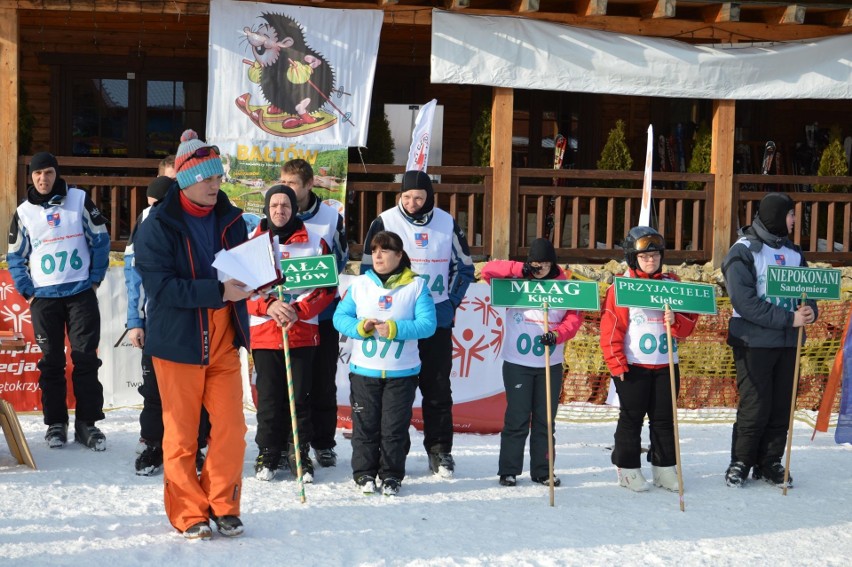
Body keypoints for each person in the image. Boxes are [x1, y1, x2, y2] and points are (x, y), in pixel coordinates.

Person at [133, 130, 252, 539]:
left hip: (222, 337)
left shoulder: (232, 219)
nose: (215, 185)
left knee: (233, 428)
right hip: (179, 340)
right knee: (182, 435)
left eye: (218, 177)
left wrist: (266, 290)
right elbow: (161, 289)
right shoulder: (156, 226)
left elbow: (245, 272)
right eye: (206, 178)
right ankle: (189, 512)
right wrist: (218, 290)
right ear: (185, 178)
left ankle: (223, 504)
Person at [361, 170, 474, 478]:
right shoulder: (384, 222)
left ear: (429, 198)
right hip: (395, 320)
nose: (412, 203)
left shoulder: (446, 223)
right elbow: (369, 269)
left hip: (434, 317)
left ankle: (440, 451)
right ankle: (394, 454)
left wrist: (450, 304)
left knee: (437, 387)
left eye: (419, 198)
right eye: (407, 197)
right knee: (397, 390)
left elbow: (464, 267)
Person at [7, 151, 110, 450]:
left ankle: (87, 423)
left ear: (56, 174)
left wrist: (94, 279)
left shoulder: (78, 200)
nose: (43, 178)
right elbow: (15, 255)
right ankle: (56, 423)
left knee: (85, 359)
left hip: (80, 295)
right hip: (45, 299)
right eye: (38, 174)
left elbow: (100, 239)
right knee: (51, 362)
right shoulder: (24, 212)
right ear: (31, 177)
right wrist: (27, 290)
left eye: (48, 172)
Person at [722, 192, 817, 488]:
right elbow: (745, 301)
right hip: (754, 342)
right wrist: (788, 318)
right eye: (790, 215)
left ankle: (770, 461)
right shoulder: (743, 251)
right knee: (756, 405)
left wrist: (809, 310)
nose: (793, 221)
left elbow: (809, 291)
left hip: (788, 343)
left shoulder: (794, 253)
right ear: (776, 216)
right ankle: (741, 461)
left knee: (780, 406)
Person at [334, 230, 436, 496]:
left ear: (399, 255)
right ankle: (364, 473)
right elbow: (339, 318)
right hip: (364, 370)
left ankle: (391, 475)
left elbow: (427, 325)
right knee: (365, 425)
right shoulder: (359, 284)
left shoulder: (417, 285)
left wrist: (393, 328)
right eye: (375, 250)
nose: (378, 255)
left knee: (394, 428)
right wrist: (360, 327)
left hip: (401, 371)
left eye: (385, 250)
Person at [600, 226, 698, 492]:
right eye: (644, 256)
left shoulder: (672, 284)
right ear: (633, 258)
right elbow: (611, 330)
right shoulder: (622, 287)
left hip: (666, 364)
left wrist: (675, 320)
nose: (651, 260)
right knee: (631, 419)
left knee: (665, 419)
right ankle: (628, 469)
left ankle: (665, 468)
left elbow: (689, 327)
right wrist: (616, 362)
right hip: (634, 365)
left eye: (654, 255)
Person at [124, 175, 211, 476]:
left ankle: (195, 445)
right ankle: (152, 444)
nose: (153, 210)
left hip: (195, 318)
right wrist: (136, 321)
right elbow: (134, 278)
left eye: (157, 204)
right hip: (158, 319)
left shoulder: (197, 217)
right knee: (154, 390)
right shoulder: (147, 222)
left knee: (196, 392)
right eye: (149, 205)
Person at [247, 185, 334, 482]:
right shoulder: (253, 242)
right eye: (274, 206)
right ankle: (268, 451)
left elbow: (326, 288)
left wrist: (298, 309)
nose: (279, 211)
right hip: (265, 331)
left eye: (285, 205)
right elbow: (240, 287)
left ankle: (299, 450)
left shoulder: (314, 241)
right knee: (270, 397)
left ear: (294, 208)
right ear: (267, 209)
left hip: (300, 331)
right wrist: (268, 306)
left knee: (299, 397)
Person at [481, 239, 583, 487]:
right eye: (536, 264)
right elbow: (487, 270)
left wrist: (557, 335)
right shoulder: (516, 284)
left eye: (546, 263)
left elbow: (574, 318)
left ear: (553, 263)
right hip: (518, 362)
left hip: (550, 363)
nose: (540, 269)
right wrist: (519, 270)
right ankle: (509, 469)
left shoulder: (565, 286)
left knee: (545, 420)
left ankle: (543, 469)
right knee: (516, 417)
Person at [279, 159, 348, 468]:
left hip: (321, 313)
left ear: (308, 185)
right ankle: (284, 443)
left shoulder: (331, 217)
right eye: (283, 182)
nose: (287, 189)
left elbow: (341, 260)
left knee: (322, 381)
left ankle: (323, 442)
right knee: (288, 382)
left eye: (292, 184)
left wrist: (313, 280)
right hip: (286, 314)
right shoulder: (276, 212)